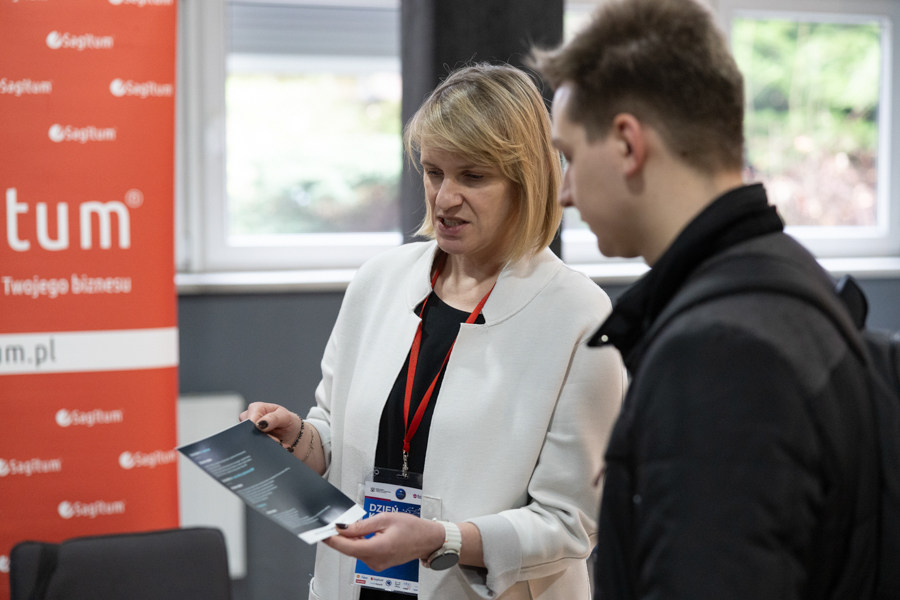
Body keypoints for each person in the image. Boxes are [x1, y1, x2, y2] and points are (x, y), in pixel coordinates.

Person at [532, 0, 880, 598]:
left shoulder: (719, 356)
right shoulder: (787, 278)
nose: (563, 191)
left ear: (627, 144)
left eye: (569, 155)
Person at [241, 63, 625, 600]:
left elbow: (570, 523)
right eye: (433, 171)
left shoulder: (578, 314)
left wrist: (442, 539)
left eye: (472, 177)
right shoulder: (379, 281)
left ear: (527, 181)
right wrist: (299, 439)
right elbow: (338, 437)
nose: (444, 198)